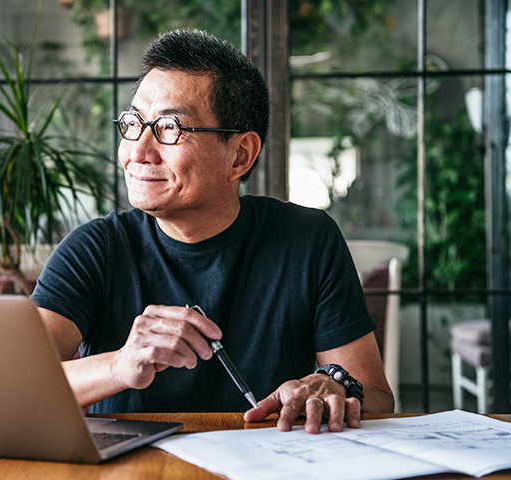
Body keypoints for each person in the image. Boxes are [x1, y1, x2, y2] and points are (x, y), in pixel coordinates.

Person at [32, 29, 394, 434]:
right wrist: (121, 365)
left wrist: (334, 390)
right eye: (134, 122)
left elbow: (377, 396)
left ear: (240, 155)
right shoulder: (94, 249)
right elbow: (19, 384)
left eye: (169, 127)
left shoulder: (307, 239)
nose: (137, 151)